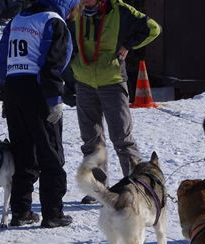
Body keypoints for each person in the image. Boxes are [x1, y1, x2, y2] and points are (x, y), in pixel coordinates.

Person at [0, 0, 78, 228]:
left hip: (14, 89)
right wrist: (54, 100)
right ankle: (53, 213)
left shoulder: (17, 19)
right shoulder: (54, 22)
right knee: (50, 152)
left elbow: (3, 59)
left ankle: (20, 211)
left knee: (22, 153)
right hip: (38, 91)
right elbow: (52, 64)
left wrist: (5, 94)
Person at [67, 0, 160, 203]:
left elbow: (153, 28)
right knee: (91, 140)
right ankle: (98, 188)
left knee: (122, 139)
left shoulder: (120, 10)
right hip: (83, 82)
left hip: (113, 82)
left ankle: (135, 187)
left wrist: (128, 46)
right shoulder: (74, 10)